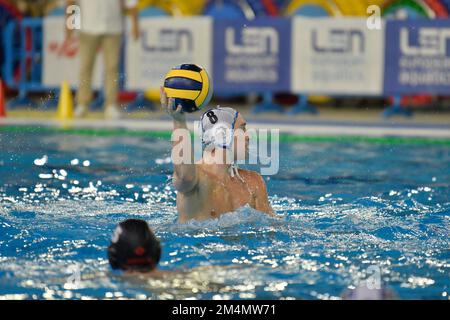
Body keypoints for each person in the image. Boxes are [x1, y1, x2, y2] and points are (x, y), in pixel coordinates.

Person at [160, 88, 275, 223]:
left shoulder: (253, 182)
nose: (248, 135)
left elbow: (273, 226)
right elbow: (184, 176)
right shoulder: (197, 179)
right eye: (242, 129)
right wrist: (179, 121)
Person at [65, 0, 140, 119]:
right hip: (87, 28)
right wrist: (70, 24)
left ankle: (111, 105)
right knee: (85, 67)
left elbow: (131, 3)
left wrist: (135, 24)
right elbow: (71, 2)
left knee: (112, 67)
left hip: (113, 28)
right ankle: (82, 104)